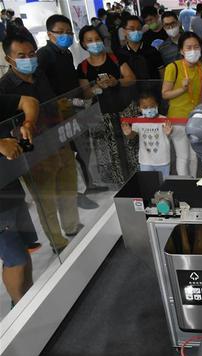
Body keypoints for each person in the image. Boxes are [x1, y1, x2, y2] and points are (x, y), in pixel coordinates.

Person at [0, 34, 82, 252]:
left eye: (32, 54)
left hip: (58, 139)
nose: (29, 59)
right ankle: (58, 242)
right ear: (9, 59)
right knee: (45, 200)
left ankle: (72, 226)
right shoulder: (5, 87)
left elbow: (52, 104)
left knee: (68, 188)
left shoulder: (40, 75)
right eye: (21, 56)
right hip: (33, 151)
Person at [38, 14, 102, 209]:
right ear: (50, 34)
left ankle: (89, 184)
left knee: (82, 147)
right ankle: (76, 194)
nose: (66, 36)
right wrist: (57, 103)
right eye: (61, 32)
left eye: (69, 32)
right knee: (69, 153)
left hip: (73, 108)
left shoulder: (66, 54)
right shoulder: (45, 54)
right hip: (56, 113)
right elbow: (42, 85)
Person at [77, 25, 136, 185]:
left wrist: (116, 81)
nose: (94, 43)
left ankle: (138, 178)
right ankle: (119, 184)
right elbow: (86, 93)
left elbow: (131, 78)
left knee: (132, 145)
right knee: (109, 150)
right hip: (101, 115)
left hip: (125, 109)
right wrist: (96, 89)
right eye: (89, 40)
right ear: (83, 44)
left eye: (97, 39)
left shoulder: (116, 58)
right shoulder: (82, 67)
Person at [0, 94, 39, 305]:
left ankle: (30, 300)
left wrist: (28, 123)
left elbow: (29, 102)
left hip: (11, 188)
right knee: (15, 258)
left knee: (24, 248)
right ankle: (20, 307)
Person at [162, 31, 202, 177]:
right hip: (177, 119)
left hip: (195, 119)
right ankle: (184, 185)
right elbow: (165, 94)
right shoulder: (172, 67)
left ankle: (192, 183)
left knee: (194, 156)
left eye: (196, 47)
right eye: (189, 47)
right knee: (183, 156)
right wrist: (182, 89)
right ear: (181, 50)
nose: (193, 50)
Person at [122, 92, 172, 178]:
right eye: (145, 107)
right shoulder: (138, 120)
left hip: (163, 160)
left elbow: (169, 135)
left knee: (164, 184)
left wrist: (169, 133)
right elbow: (132, 135)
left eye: (152, 106)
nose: (149, 109)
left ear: (157, 105)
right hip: (145, 161)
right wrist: (128, 133)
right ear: (139, 108)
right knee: (148, 184)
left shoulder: (164, 119)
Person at [116, 15, 163, 80]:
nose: (136, 31)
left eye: (138, 28)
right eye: (132, 29)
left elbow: (162, 73)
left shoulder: (152, 50)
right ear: (124, 31)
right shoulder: (121, 53)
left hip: (153, 88)